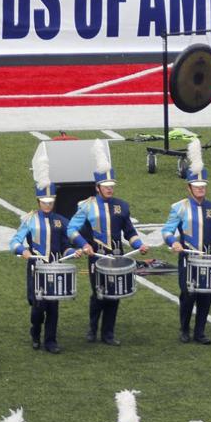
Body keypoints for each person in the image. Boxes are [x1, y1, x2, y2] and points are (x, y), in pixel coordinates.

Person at [67, 140, 148, 346]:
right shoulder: (86, 206)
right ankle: (92, 329)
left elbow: (129, 231)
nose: (110, 190)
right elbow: (71, 229)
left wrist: (138, 245)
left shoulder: (122, 206)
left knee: (115, 293)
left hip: (117, 256)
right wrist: (84, 245)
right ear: (97, 187)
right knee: (99, 293)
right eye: (106, 186)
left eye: (112, 186)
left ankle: (108, 333)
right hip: (97, 255)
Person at [162, 140, 211, 345]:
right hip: (188, 258)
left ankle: (200, 332)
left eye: (203, 186)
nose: (201, 189)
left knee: (206, 296)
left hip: (207, 258)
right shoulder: (179, 208)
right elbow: (167, 231)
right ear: (189, 187)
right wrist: (174, 243)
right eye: (197, 186)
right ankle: (184, 329)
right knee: (188, 294)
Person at [10, 148, 79, 354]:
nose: (47, 205)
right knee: (38, 306)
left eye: (50, 202)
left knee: (53, 306)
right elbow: (14, 241)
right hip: (37, 267)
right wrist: (23, 251)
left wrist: (73, 251)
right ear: (38, 201)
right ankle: (35, 332)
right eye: (44, 202)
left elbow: (66, 243)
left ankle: (51, 341)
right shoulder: (30, 220)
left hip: (55, 267)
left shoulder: (61, 221)